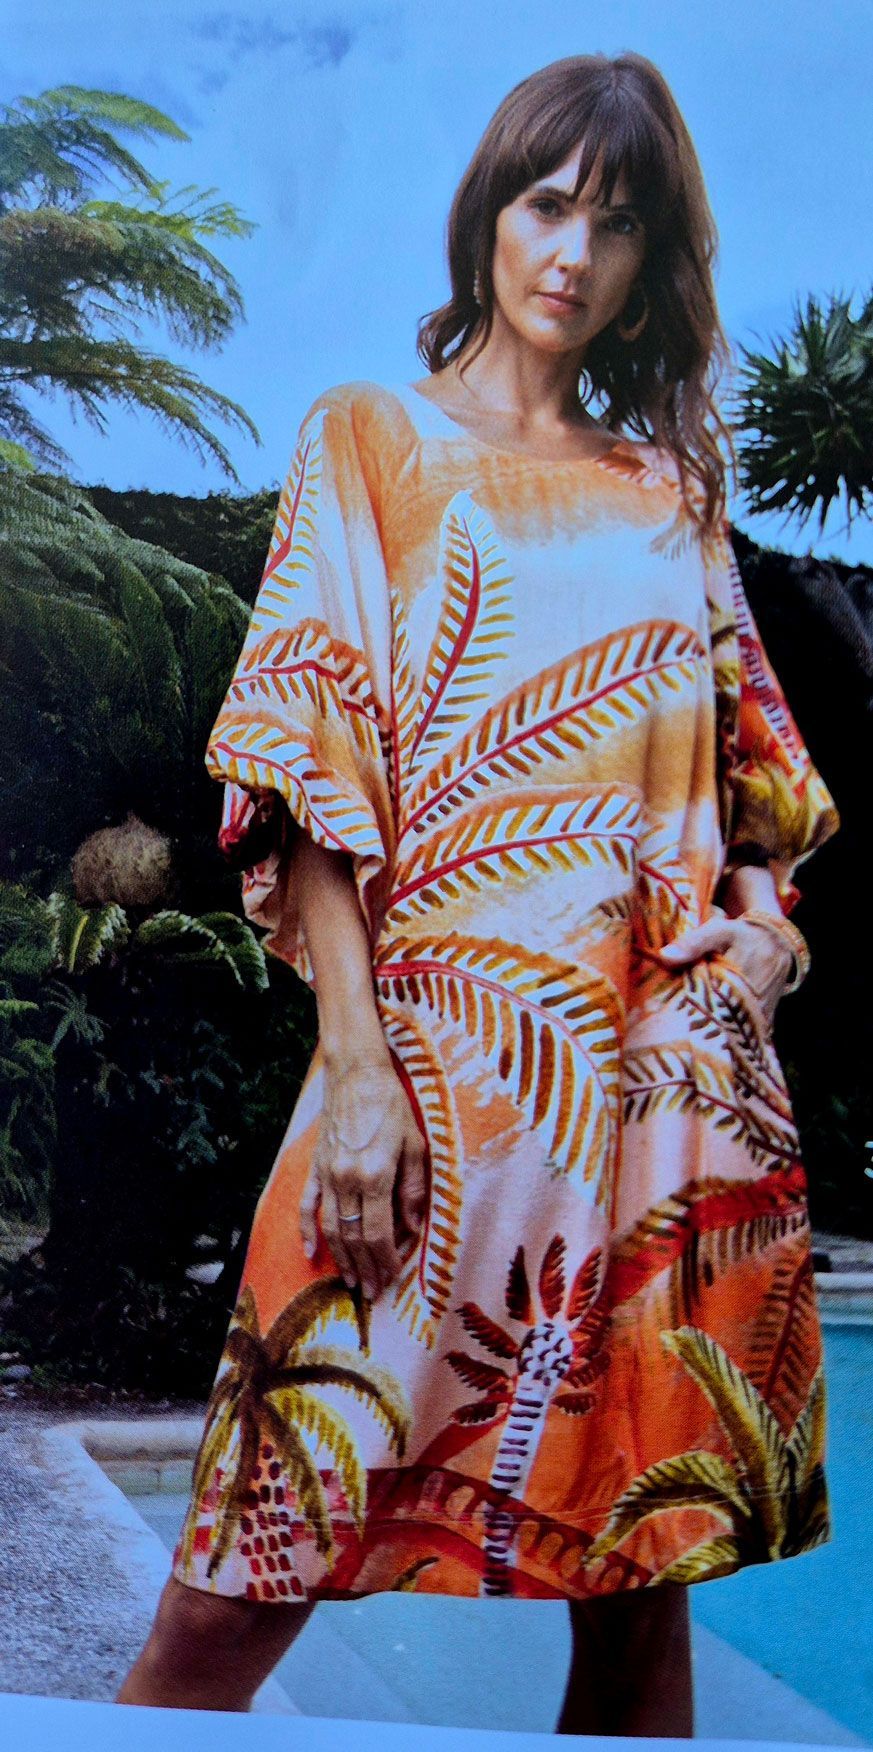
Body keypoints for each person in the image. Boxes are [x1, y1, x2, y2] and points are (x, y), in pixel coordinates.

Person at [116, 50, 839, 1735]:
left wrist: (772, 942)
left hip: (658, 1118)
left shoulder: (674, 498)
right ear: (488, 216)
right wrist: (356, 1071)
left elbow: (760, 797)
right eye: (546, 203)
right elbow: (305, 762)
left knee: (636, 1625)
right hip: (429, 1093)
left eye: (620, 221)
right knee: (230, 1596)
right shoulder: (369, 444)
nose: (573, 253)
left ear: (659, 261)